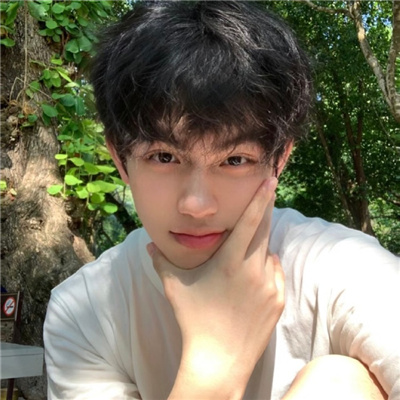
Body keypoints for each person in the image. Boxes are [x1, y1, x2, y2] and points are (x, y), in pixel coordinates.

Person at [43, 2, 400, 399]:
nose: (196, 205)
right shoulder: (85, 312)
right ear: (120, 158)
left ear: (279, 159)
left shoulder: (342, 269)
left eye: (234, 160)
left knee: (337, 384)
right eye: (164, 157)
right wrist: (217, 360)